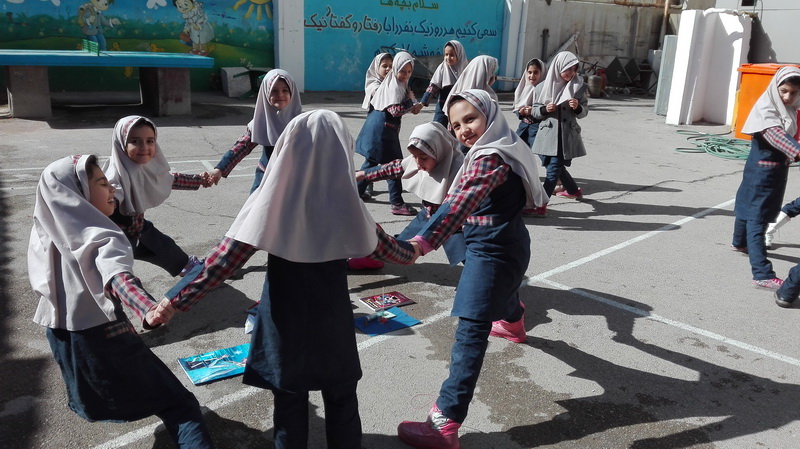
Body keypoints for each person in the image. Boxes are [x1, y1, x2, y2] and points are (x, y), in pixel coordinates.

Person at [166, 110, 416, 448]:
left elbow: (222, 262)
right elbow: (387, 248)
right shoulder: (346, 203)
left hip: (284, 320)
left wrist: (173, 302)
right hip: (331, 320)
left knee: (289, 402)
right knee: (341, 398)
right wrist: (415, 249)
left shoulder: (269, 200)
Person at [383, 90, 547, 449]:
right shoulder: (504, 143)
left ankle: (444, 422)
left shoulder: (490, 158)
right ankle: (514, 322)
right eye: (456, 125)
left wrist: (421, 245)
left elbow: (459, 203)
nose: (463, 130)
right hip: (506, 245)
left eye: (470, 119)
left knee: (470, 333)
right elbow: (406, 167)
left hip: (493, 252)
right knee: (502, 293)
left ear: (490, 114)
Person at [28, 155, 214, 448]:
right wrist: (147, 307)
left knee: (114, 393)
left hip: (62, 337)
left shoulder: (48, 232)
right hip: (104, 334)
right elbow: (117, 277)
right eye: (102, 183)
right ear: (78, 195)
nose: (112, 188)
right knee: (181, 406)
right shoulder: (103, 235)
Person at [350, 121, 466, 270]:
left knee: (471, 257)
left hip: (454, 222)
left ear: (439, 151)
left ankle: (482, 277)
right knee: (400, 247)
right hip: (428, 214)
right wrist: (363, 174)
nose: (417, 162)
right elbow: (395, 168)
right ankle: (375, 258)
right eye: (414, 156)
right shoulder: (421, 160)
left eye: (423, 158)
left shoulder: (461, 172)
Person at [103, 115, 207, 277]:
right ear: (121, 143)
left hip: (137, 227)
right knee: (116, 270)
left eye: (150, 141)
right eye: (135, 141)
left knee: (165, 248)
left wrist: (200, 180)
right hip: (115, 238)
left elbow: (167, 179)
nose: (144, 147)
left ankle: (189, 269)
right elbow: (102, 203)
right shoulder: (113, 179)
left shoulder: (143, 167)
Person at [732, 66, 800, 290]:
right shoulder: (767, 110)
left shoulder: (789, 109)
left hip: (771, 169)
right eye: (784, 91)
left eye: (794, 93)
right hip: (763, 171)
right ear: (774, 87)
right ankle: (762, 273)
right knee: (757, 218)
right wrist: (797, 151)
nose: (788, 97)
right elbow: (778, 136)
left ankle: (739, 242)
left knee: (748, 205)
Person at [204, 69, 303, 193]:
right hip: (266, 178)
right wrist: (219, 169)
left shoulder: (304, 123)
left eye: (285, 90)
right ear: (265, 93)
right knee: (256, 204)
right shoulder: (261, 121)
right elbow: (241, 147)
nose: (280, 95)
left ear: (292, 92)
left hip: (294, 181)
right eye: (274, 91)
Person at [355, 51, 423, 213]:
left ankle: (355, 192)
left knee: (371, 162)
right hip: (383, 132)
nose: (406, 75)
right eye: (402, 71)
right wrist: (409, 102)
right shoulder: (392, 86)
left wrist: (412, 104)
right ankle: (397, 203)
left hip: (379, 129)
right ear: (396, 70)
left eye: (409, 71)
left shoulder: (398, 84)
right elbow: (395, 110)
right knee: (394, 167)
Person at [529, 51, 589, 217]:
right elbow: (535, 111)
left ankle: (541, 204)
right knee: (556, 167)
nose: (571, 73)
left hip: (566, 136)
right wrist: (544, 109)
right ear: (558, 68)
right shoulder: (542, 87)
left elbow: (584, 111)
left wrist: (577, 107)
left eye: (574, 69)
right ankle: (573, 191)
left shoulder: (578, 87)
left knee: (553, 170)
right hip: (548, 136)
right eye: (567, 69)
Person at [360, 52, 393, 199]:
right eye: (384, 66)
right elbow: (381, 94)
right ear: (376, 68)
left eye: (391, 66)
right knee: (379, 161)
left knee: (374, 160)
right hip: (377, 130)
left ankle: (360, 187)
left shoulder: (393, 83)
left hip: (388, 129)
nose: (388, 69)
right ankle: (396, 200)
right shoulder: (374, 84)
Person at [420, 40, 469, 126]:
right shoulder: (442, 68)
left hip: (459, 108)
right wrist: (422, 103)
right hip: (442, 107)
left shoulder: (465, 71)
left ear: (459, 55)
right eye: (446, 54)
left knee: (456, 129)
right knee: (438, 128)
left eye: (452, 55)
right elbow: (433, 86)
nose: (448, 58)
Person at [513, 58, 545, 148]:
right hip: (523, 127)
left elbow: (549, 110)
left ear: (542, 73)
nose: (532, 76)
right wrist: (521, 112)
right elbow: (517, 108)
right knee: (516, 151)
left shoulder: (546, 90)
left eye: (536, 72)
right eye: (529, 72)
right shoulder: (523, 88)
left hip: (539, 128)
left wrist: (534, 111)